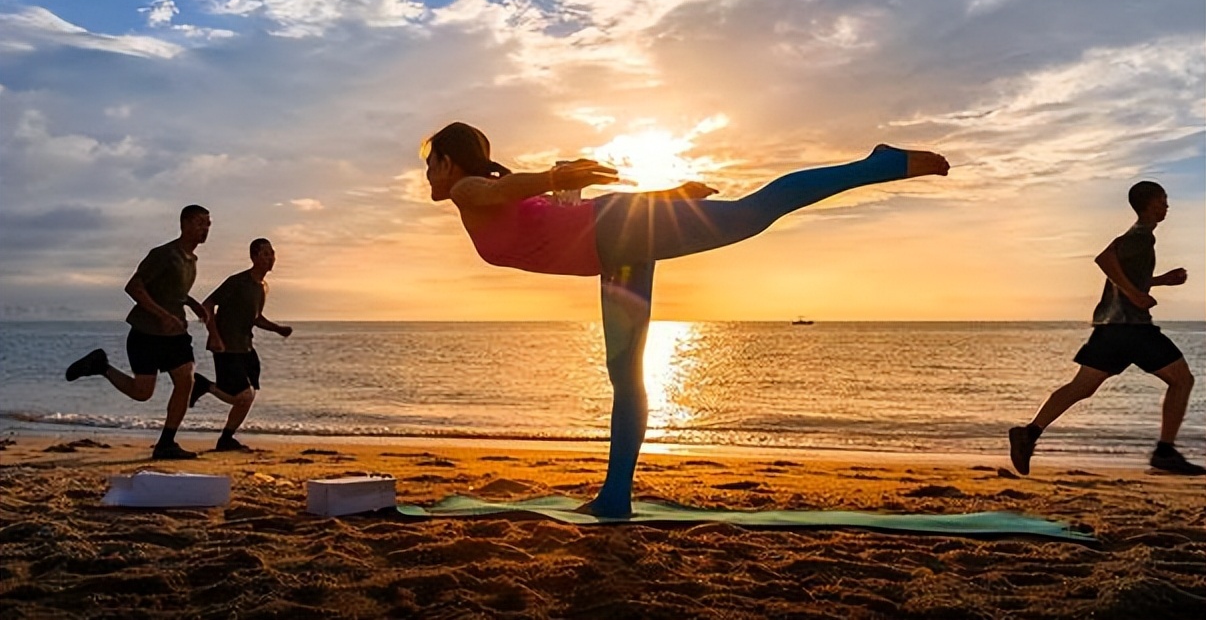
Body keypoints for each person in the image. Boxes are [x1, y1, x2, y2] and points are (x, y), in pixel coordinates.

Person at [421, 122, 949, 516]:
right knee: (624, 374)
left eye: (430, 164)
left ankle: (878, 163)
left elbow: (499, 190)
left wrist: (556, 176)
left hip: (618, 234)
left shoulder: (470, 192)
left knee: (751, 214)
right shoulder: (501, 199)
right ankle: (614, 497)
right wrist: (667, 199)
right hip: (617, 248)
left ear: (449, 162)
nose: (427, 175)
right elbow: (572, 215)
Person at [1009, 181, 1202, 476]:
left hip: (1112, 329)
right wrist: (1135, 295)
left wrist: (1161, 280)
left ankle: (1029, 433)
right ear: (1149, 204)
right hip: (1131, 328)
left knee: (1082, 388)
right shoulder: (1140, 236)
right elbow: (1105, 260)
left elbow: (1125, 274)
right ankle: (1165, 452)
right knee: (1182, 380)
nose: (1167, 206)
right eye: (1163, 201)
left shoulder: (1139, 237)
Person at [65, 205, 214, 460]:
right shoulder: (163, 254)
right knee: (142, 393)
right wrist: (163, 315)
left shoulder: (192, 259)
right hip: (146, 333)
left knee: (186, 380)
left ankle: (166, 443)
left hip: (175, 336)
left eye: (208, 223)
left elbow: (170, 290)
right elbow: (133, 287)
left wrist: (190, 303)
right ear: (185, 224)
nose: (206, 228)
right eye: (201, 223)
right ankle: (101, 366)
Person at [190, 238, 292, 452]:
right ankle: (208, 394)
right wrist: (214, 336)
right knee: (244, 396)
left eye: (272, 253)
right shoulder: (237, 282)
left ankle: (225, 435)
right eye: (265, 254)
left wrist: (278, 329)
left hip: (246, 347)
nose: (270, 258)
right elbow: (208, 305)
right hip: (226, 347)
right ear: (254, 257)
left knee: (247, 396)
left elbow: (256, 317)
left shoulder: (263, 287)